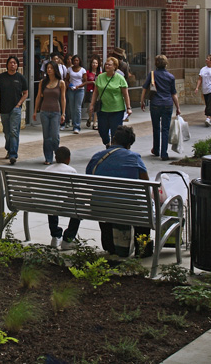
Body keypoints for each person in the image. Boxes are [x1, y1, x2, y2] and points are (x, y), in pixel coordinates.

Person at [86, 126, 148, 255]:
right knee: (144, 209)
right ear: (129, 144)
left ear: (113, 140)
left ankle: (110, 245)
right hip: (127, 208)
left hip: (100, 207)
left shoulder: (97, 156)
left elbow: (89, 180)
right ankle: (142, 248)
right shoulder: (135, 158)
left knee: (104, 201)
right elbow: (146, 184)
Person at [141, 54, 180, 160]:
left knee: (156, 127)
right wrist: (178, 107)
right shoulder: (171, 77)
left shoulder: (152, 74)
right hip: (167, 104)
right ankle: (164, 153)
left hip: (155, 104)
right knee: (165, 129)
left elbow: (145, 88)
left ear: (156, 64)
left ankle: (156, 149)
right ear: (166, 64)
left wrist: (142, 101)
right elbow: (173, 93)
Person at [0, 56, 28, 165]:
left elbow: (25, 93)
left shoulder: (21, 78)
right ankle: (9, 148)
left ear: (17, 65)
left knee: (14, 132)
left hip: (15, 109)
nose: (12, 64)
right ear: (7, 65)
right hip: (4, 109)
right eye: (11, 63)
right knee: (7, 133)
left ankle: (13, 155)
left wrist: (19, 104)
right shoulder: (1, 77)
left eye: (15, 63)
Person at [89, 57, 130, 147]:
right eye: (106, 64)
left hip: (117, 110)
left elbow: (125, 94)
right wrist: (92, 105)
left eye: (109, 65)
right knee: (102, 130)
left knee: (116, 131)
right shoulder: (100, 77)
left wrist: (128, 107)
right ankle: (107, 142)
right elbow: (96, 92)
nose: (107, 66)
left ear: (115, 66)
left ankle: (114, 147)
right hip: (103, 109)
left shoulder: (120, 78)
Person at [46, 146, 80, 250]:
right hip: (65, 205)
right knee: (79, 205)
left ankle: (55, 235)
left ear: (55, 158)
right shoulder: (71, 171)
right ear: (68, 159)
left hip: (46, 204)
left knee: (52, 201)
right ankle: (68, 238)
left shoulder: (48, 169)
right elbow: (76, 192)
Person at [34, 61, 67, 164]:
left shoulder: (61, 83)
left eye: (51, 68)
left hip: (55, 112)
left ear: (55, 70)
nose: (49, 70)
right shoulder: (42, 82)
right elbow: (38, 96)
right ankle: (48, 158)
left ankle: (57, 154)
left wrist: (63, 113)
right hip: (44, 111)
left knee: (55, 136)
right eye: (47, 68)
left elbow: (63, 98)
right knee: (46, 136)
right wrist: (35, 111)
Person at [195, 55, 211, 126]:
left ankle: (208, 117)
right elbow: (200, 78)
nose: (206, 60)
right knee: (208, 103)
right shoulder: (203, 69)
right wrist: (197, 87)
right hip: (205, 89)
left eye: (208, 59)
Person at [65, 55, 87, 134]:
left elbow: (85, 81)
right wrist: (69, 85)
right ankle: (74, 124)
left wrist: (79, 86)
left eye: (77, 60)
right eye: (74, 60)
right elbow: (66, 79)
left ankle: (77, 126)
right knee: (72, 108)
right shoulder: (69, 69)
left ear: (79, 61)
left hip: (79, 90)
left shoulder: (83, 70)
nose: (75, 62)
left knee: (77, 108)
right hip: (71, 90)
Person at [84, 56, 101, 129]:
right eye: (93, 63)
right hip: (90, 91)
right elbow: (84, 81)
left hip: (97, 91)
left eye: (96, 63)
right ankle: (90, 118)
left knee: (96, 108)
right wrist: (91, 82)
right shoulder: (88, 72)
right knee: (90, 107)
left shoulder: (100, 73)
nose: (94, 64)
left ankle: (94, 123)